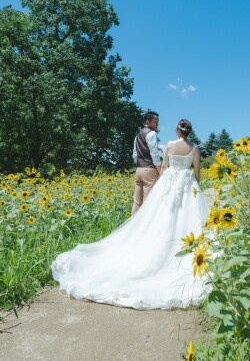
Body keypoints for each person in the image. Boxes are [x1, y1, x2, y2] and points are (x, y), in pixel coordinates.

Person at [51, 118, 210, 309]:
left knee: (160, 218)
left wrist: (162, 187)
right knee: (188, 219)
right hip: (186, 185)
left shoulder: (169, 144)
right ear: (189, 132)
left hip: (170, 183)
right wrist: (195, 185)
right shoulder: (194, 148)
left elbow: (165, 167)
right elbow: (198, 171)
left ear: (178, 130)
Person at [131, 111, 161, 214]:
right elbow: (155, 154)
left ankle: (132, 226)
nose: (157, 123)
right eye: (155, 121)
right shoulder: (152, 133)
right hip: (149, 170)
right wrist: (160, 171)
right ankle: (146, 229)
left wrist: (140, 164)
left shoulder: (138, 134)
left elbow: (135, 154)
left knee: (137, 202)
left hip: (139, 170)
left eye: (158, 121)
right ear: (148, 121)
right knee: (149, 202)